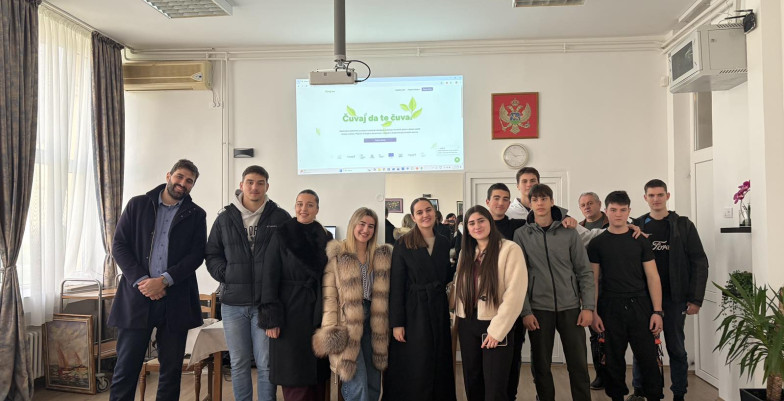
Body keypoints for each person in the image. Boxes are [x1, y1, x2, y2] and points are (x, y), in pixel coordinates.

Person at [108, 159, 207, 401]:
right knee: (126, 368)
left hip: (175, 300)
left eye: (189, 181)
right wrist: (143, 280)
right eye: (180, 176)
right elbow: (119, 246)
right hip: (136, 297)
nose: (183, 183)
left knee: (171, 371)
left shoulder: (196, 214)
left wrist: (164, 280)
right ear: (168, 175)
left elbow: (196, 255)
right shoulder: (138, 204)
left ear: (193, 185)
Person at [205, 165, 290, 401]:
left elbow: (289, 256)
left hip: (266, 303)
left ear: (267, 186)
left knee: (265, 364)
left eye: (260, 182)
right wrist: (227, 274)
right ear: (242, 185)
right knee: (239, 363)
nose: (255, 187)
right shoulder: (224, 218)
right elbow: (212, 254)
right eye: (250, 182)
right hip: (233, 304)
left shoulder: (279, 217)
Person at [627, 179, 709, 401]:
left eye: (660, 195)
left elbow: (699, 262)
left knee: (676, 348)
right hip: (644, 298)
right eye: (651, 195)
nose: (656, 199)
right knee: (642, 348)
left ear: (667, 196)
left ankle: (679, 394)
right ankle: (639, 390)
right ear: (645, 198)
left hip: (675, 298)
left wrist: (696, 299)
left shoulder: (683, 225)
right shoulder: (637, 225)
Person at [513, 184, 594, 401]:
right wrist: (526, 311)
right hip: (539, 309)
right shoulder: (521, 234)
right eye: (535, 199)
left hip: (571, 308)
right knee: (540, 365)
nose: (540, 203)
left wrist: (588, 307)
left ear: (551, 201)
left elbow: (584, 271)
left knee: (578, 364)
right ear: (530, 203)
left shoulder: (569, 232)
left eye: (544, 198)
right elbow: (518, 277)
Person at [587, 191, 664, 401]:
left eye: (622, 210)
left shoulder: (640, 240)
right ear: (606, 211)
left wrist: (657, 311)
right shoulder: (597, 244)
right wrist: (593, 312)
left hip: (641, 305)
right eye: (613, 210)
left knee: (648, 359)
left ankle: (654, 396)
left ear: (629, 211)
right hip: (610, 307)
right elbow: (592, 280)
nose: (618, 214)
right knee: (613, 361)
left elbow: (653, 277)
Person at [259, 189, 333, 401]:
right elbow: (269, 275)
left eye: (310, 205)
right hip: (288, 312)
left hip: (316, 311)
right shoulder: (282, 233)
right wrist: (271, 319)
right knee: (294, 375)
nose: (304, 209)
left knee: (317, 377)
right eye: (300, 203)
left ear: (317, 209)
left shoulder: (325, 237)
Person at [313, 207, 393, 401]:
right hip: (348, 321)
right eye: (362, 224)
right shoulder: (339, 255)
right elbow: (330, 297)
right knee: (356, 379)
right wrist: (331, 328)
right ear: (353, 225)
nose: (366, 230)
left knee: (374, 381)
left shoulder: (381, 256)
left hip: (375, 321)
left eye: (371, 226)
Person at [384, 198, 456, 401]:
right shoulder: (403, 244)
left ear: (434, 212)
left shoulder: (443, 241)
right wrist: (397, 323)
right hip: (413, 310)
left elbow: (444, 274)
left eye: (428, 210)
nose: (425, 215)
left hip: (438, 307)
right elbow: (396, 285)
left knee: (439, 357)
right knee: (417, 359)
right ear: (414, 217)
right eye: (420, 212)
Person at [454, 206, 527, 401]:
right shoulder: (466, 253)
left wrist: (497, 330)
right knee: (473, 381)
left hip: (495, 323)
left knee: (495, 386)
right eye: (471, 223)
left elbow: (515, 294)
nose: (477, 226)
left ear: (490, 222)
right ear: (466, 228)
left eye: (481, 221)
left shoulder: (510, 249)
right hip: (468, 322)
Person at [484, 183, 526, 400]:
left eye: (505, 199)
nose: (500, 202)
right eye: (496, 198)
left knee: (511, 356)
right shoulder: (476, 225)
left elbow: (549, 217)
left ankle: (511, 396)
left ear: (510, 203)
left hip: (511, 303)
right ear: (488, 201)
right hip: (482, 308)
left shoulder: (518, 226)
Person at [576, 191, 609, 390]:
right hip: (589, 287)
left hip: (613, 286)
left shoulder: (612, 222)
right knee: (595, 335)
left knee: (613, 335)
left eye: (590, 203)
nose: (587, 207)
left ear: (599, 204)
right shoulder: (577, 229)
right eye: (583, 205)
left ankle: (614, 374)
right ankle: (601, 375)